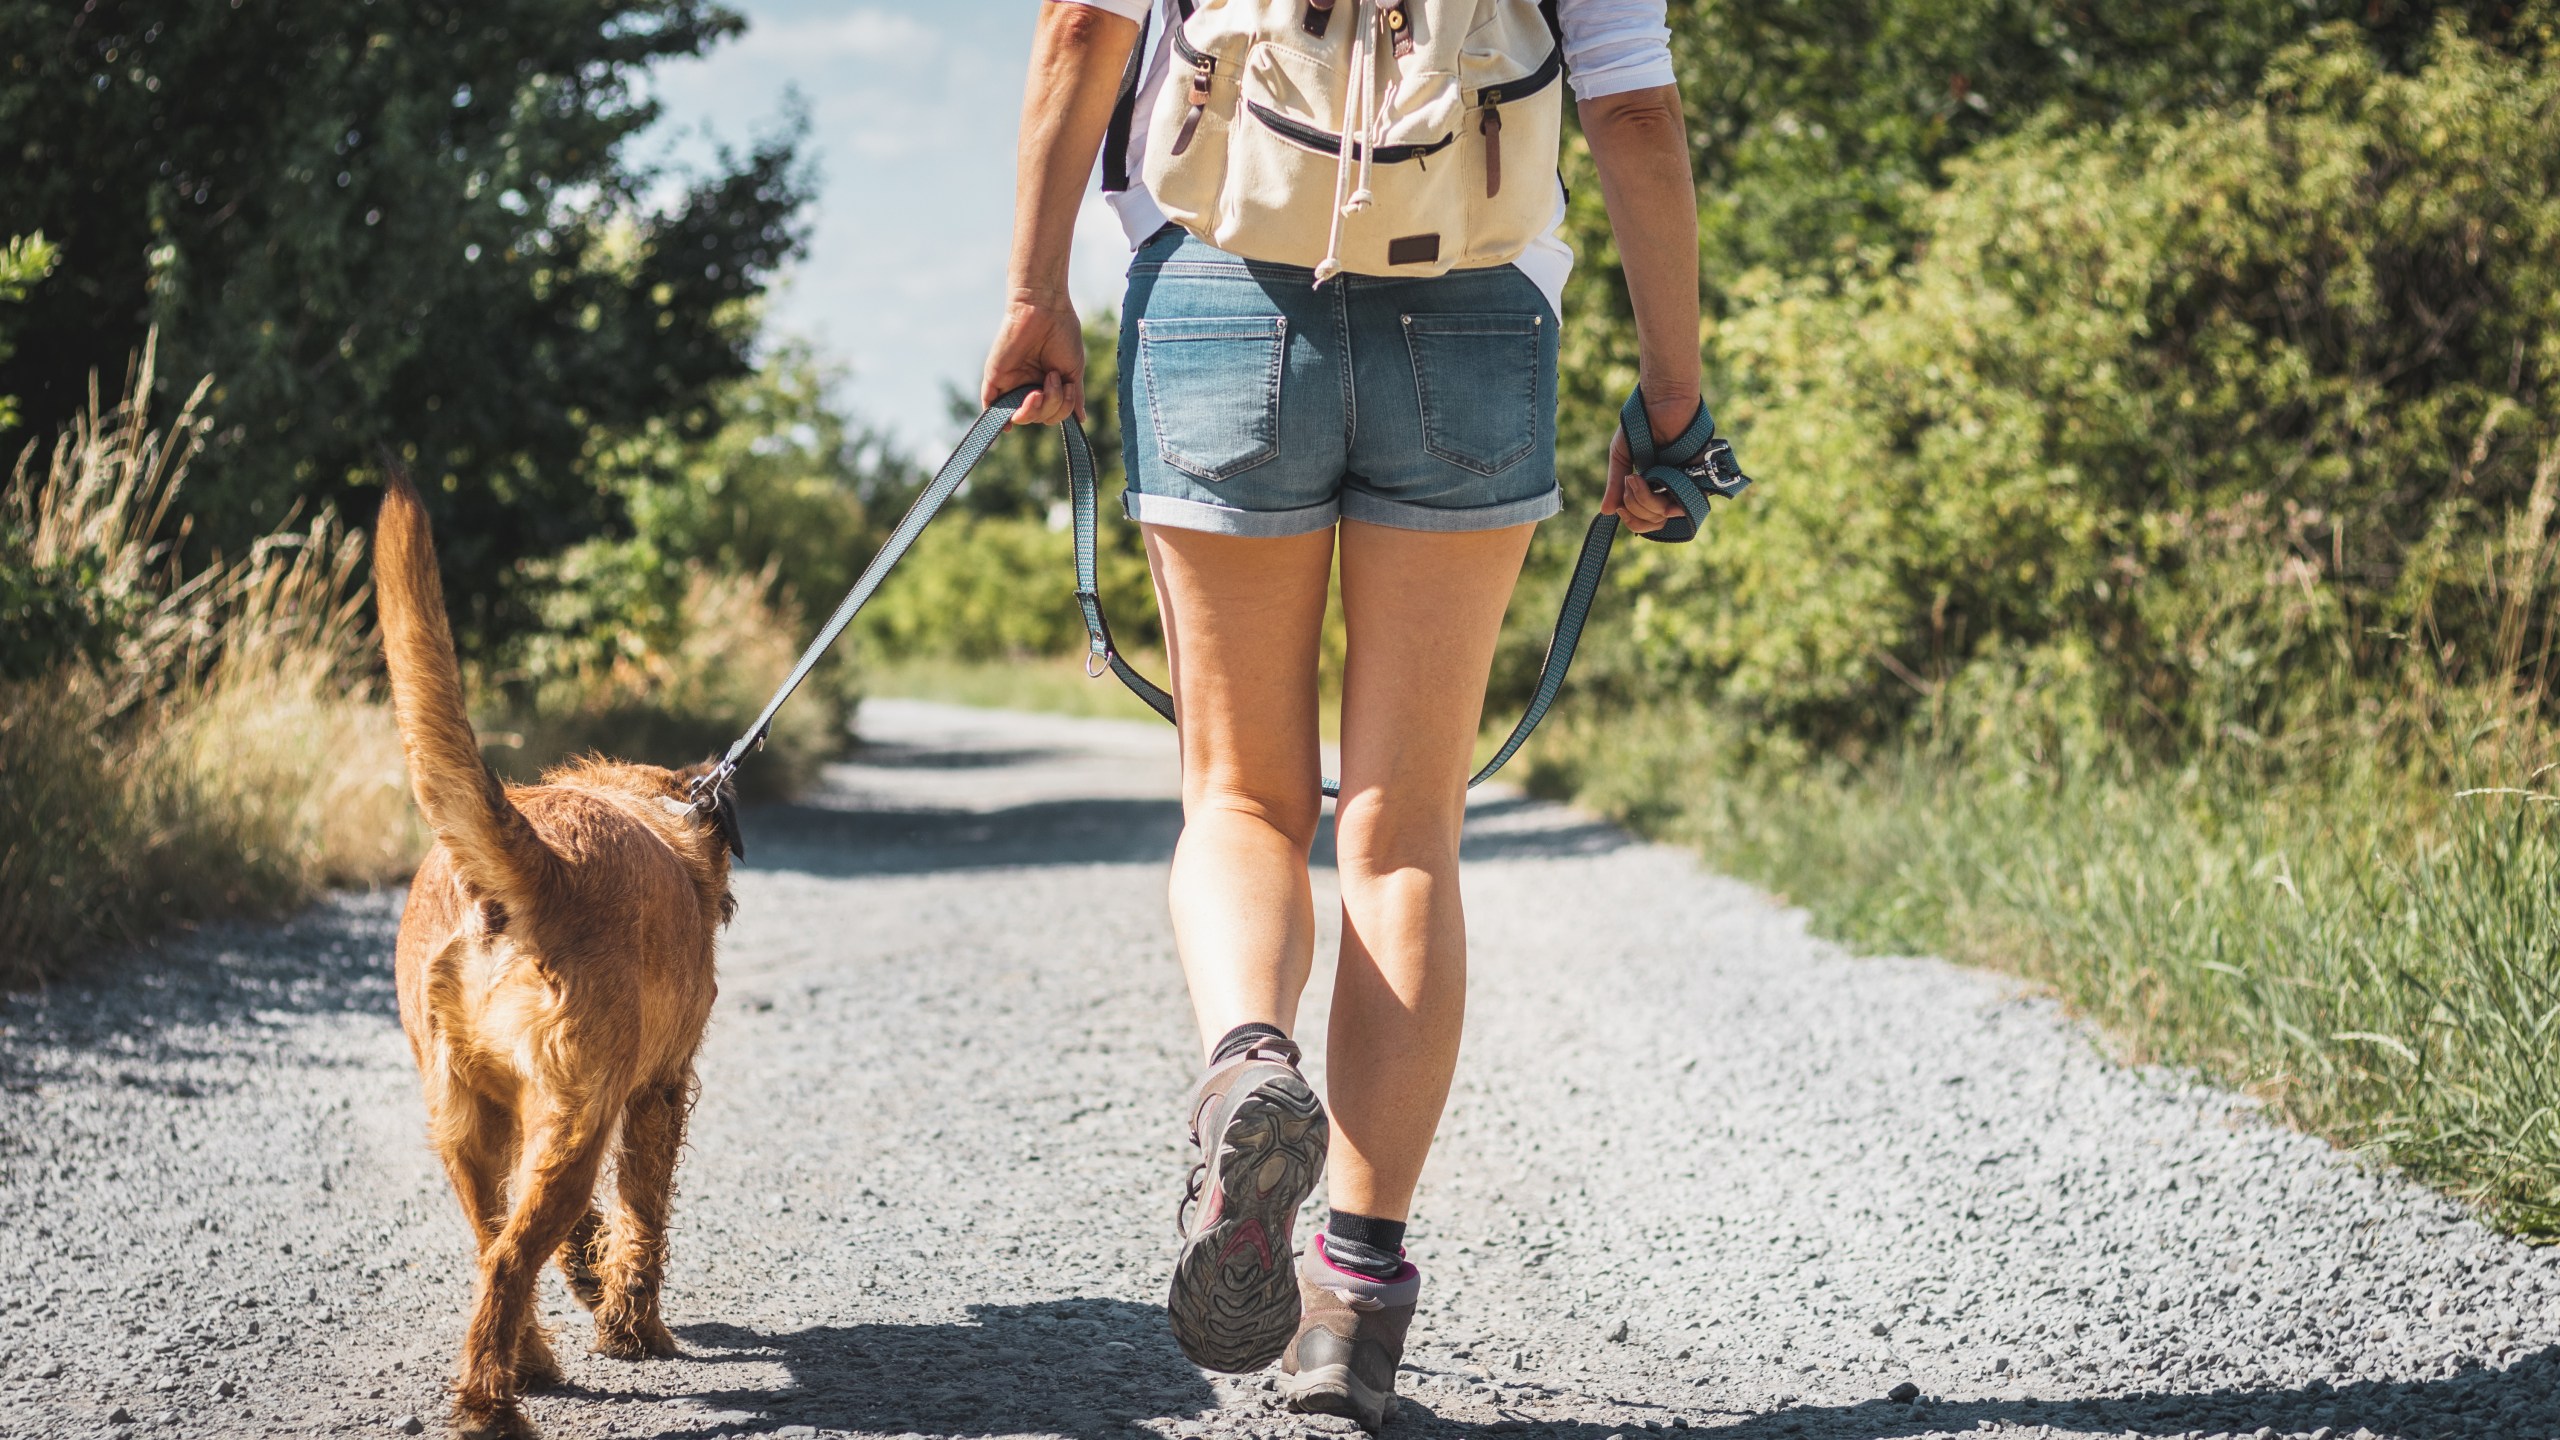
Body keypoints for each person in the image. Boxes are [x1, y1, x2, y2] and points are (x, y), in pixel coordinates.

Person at [985, 0, 1697, 1425]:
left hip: (1216, 300)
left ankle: (1250, 1064)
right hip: (1482, 315)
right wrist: (1672, 402)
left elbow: (1081, 31)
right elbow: (1630, 111)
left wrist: (1033, 293)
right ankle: (1354, 1306)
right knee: (1406, 833)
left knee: (1241, 795)